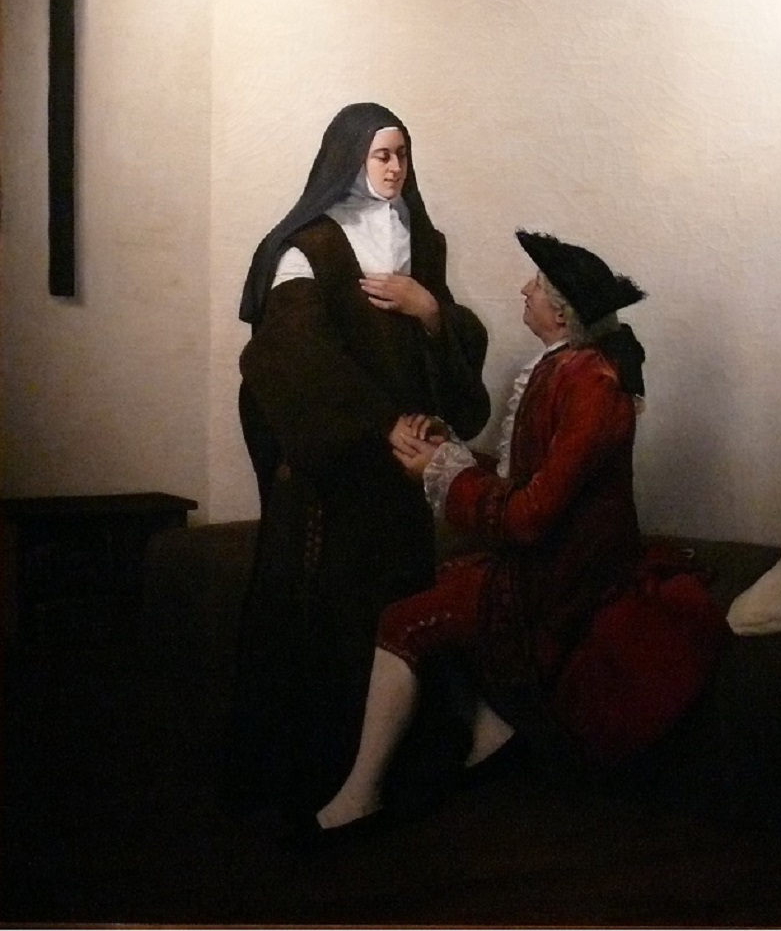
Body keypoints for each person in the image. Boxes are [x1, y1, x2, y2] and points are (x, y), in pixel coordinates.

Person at [307, 230, 730, 840]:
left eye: (535, 285)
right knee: (440, 585)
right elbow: (524, 478)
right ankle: (492, 736)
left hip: (566, 581)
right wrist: (448, 450)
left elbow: (531, 513)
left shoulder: (593, 386)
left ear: (560, 313)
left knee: (404, 621)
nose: (524, 290)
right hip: (545, 564)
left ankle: (360, 796)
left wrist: (443, 473)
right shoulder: (564, 368)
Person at [229, 102, 491, 811]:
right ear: (348, 159)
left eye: (402, 153)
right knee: (330, 618)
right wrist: (381, 422)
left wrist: (428, 311)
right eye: (381, 154)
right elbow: (297, 357)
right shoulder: (308, 248)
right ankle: (317, 780)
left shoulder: (420, 241)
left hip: (402, 478)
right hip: (334, 476)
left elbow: (450, 347)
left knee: (402, 610)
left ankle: (400, 776)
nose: (395, 167)